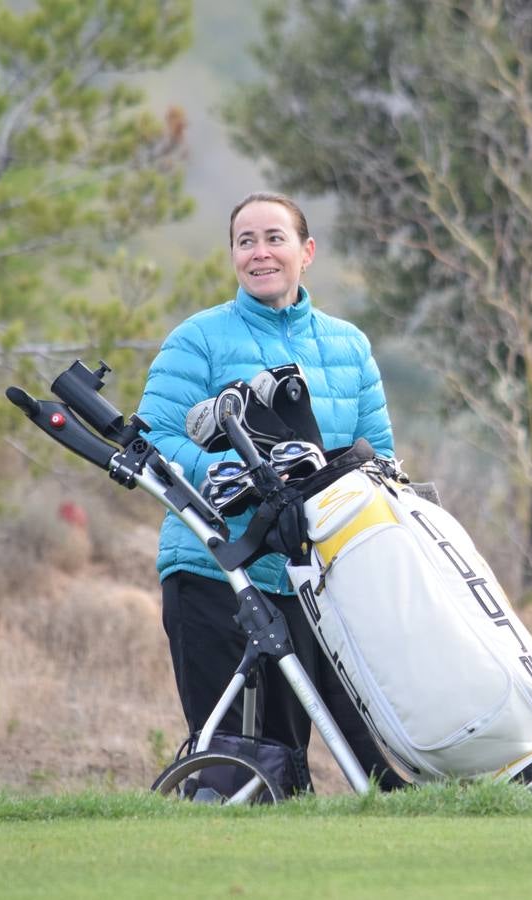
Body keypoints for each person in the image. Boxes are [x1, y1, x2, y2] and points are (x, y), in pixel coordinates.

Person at [138, 191, 405, 791]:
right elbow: (153, 438)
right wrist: (238, 475)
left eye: (274, 239)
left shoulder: (348, 346)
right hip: (217, 572)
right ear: (233, 255)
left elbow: (379, 456)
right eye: (245, 241)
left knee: (330, 753)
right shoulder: (198, 339)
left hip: (320, 579)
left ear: (306, 252)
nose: (260, 253)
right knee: (240, 765)